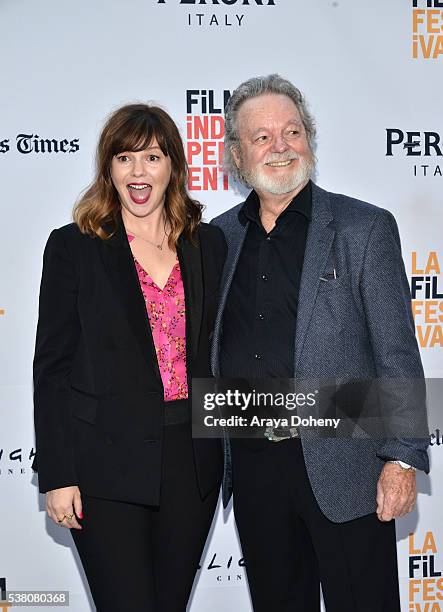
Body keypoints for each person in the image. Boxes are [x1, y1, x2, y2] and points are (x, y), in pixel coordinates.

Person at [210, 75, 429, 612]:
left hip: (346, 468)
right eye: (261, 137)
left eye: (292, 130)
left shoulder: (363, 228)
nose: (280, 146)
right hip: (255, 469)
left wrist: (401, 459)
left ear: (310, 138)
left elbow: (396, 351)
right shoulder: (217, 238)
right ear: (237, 156)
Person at [32, 103, 226, 611]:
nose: (139, 172)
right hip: (103, 466)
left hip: (192, 461)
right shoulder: (75, 247)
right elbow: (51, 368)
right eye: (125, 158)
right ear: (108, 169)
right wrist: (56, 474)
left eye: (153, 157)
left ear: (173, 169)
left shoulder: (208, 244)